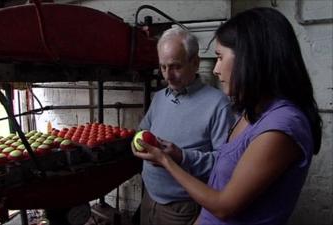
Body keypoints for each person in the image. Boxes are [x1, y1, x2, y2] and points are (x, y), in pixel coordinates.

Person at [132, 7, 323, 225]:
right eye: (163, 67)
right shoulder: (251, 112)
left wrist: (167, 160)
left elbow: (224, 206)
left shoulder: (281, 126)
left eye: (220, 57)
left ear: (250, 59)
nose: (215, 69)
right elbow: (216, 193)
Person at [135, 27, 236, 225]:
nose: (167, 76)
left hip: (182, 208)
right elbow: (142, 130)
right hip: (149, 198)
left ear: (195, 63)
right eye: (163, 67)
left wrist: (181, 156)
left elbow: (223, 165)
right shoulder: (160, 98)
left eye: (175, 66)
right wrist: (137, 143)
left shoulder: (218, 104)